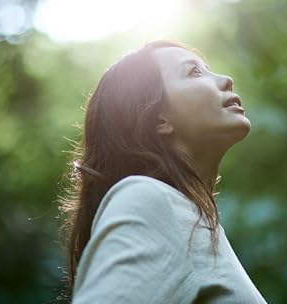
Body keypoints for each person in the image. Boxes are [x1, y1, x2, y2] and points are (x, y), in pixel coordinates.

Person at [57, 40, 268, 303]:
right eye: (194, 72)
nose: (226, 79)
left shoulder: (193, 222)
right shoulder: (149, 201)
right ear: (159, 119)